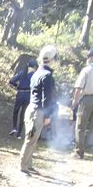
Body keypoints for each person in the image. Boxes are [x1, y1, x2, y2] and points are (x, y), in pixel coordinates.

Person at [19, 45, 57, 175]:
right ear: (52, 59)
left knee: (32, 139)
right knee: (30, 139)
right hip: (38, 111)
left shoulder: (36, 74)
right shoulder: (47, 76)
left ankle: (28, 164)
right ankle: (23, 167)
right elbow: (47, 98)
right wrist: (48, 115)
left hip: (31, 108)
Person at [71, 47, 93, 159]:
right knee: (92, 126)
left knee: (81, 125)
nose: (88, 59)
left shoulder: (87, 69)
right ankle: (84, 146)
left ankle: (79, 151)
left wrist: (75, 100)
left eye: (88, 57)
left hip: (88, 99)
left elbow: (78, 87)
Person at [9, 58, 38, 140]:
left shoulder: (22, 72)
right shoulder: (34, 74)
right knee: (23, 113)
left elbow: (11, 81)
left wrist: (17, 86)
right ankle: (19, 134)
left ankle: (14, 127)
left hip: (20, 93)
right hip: (28, 94)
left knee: (16, 111)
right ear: (35, 66)